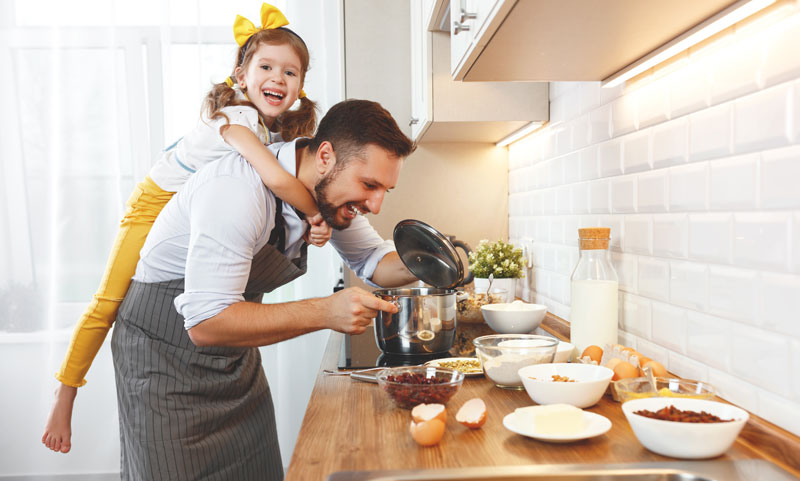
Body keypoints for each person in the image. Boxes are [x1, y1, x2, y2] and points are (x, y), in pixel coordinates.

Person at [42, 2, 331, 454]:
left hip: (186, 212)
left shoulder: (275, 134)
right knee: (108, 301)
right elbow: (277, 180)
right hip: (154, 203)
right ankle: (64, 395)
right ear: (240, 75)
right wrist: (317, 213)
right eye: (266, 66)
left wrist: (308, 226)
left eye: (290, 72)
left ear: (300, 87)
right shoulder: (237, 118)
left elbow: (274, 197)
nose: (278, 78)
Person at [112, 98, 417, 480]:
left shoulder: (327, 195)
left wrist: (433, 260)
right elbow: (206, 322)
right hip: (164, 363)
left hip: (234, 361)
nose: (376, 203)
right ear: (325, 156)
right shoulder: (237, 190)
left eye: (385, 189)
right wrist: (325, 311)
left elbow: (373, 260)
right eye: (369, 184)